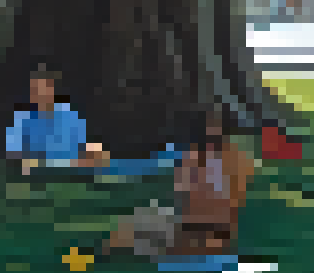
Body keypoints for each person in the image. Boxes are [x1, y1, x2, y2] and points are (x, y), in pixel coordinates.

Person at [104, 109, 258, 261]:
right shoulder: (200, 158)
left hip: (202, 231)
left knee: (132, 232)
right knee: (127, 230)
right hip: (193, 227)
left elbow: (193, 201)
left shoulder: (225, 161)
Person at [4, 65, 110, 173]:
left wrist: (94, 151)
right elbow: (13, 152)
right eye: (37, 89)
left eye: (46, 88)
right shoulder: (22, 117)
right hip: (39, 166)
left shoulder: (66, 113)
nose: (42, 93)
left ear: (52, 90)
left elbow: (81, 144)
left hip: (71, 164)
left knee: (100, 153)